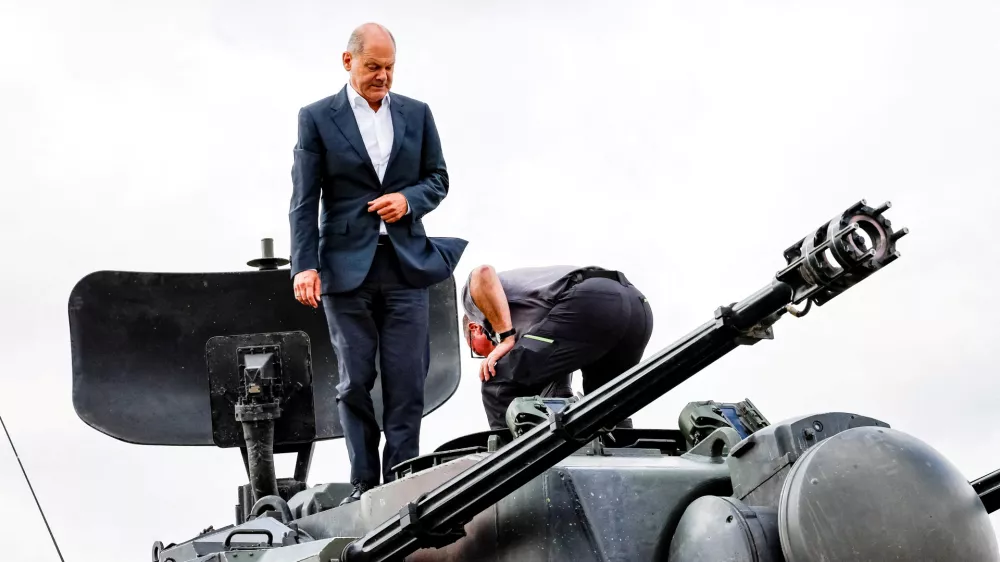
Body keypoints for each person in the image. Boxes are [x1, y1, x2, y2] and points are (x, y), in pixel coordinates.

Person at [288, 22, 466, 505]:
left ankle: (403, 477)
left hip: (406, 265)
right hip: (346, 271)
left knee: (409, 379)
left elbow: (438, 179)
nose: (382, 77)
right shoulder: (317, 118)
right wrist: (304, 266)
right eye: (373, 67)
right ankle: (366, 481)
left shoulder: (417, 114)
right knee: (355, 381)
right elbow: (304, 200)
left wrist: (408, 201)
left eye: (389, 68)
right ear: (348, 63)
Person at [461, 264, 654, 430]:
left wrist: (504, 338)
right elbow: (554, 369)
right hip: (638, 307)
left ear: (474, 329)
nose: (488, 355)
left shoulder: (478, 308)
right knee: (605, 408)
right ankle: (621, 453)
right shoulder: (539, 320)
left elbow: (482, 273)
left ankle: (511, 466)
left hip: (591, 300)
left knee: (497, 379)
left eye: (479, 351)